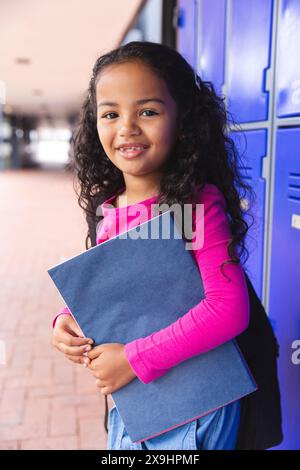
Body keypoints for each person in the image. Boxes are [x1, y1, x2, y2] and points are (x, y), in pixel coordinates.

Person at [52, 40, 258, 450]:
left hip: (195, 408)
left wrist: (131, 359)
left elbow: (228, 309)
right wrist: (67, 320)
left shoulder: (195, 207)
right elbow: (117, 286)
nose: (127, 127)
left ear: (183, 121)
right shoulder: (110, 209)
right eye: (110, 114)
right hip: (137, 407)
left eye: (147, 111)